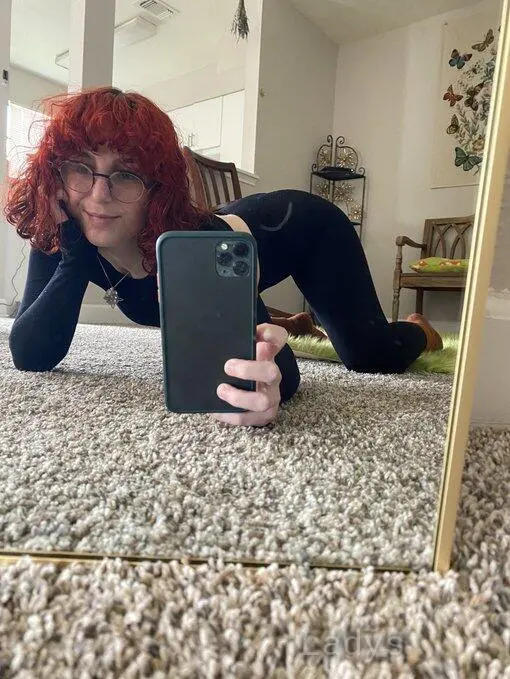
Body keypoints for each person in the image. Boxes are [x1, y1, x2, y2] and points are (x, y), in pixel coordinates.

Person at [3, 87, 442, 427]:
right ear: (55, 173)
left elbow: (284, 376)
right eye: (80, 167)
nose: (99, 195)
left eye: (127, 174)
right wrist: (74, 256)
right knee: (239, 324)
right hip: (250, 232)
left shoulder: (194, 242)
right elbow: (30, 354)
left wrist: (265, 386)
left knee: (371, 356)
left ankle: (420, 330)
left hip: (310, 231)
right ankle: (289, 323)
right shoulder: (63, 225)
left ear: (157, 189)